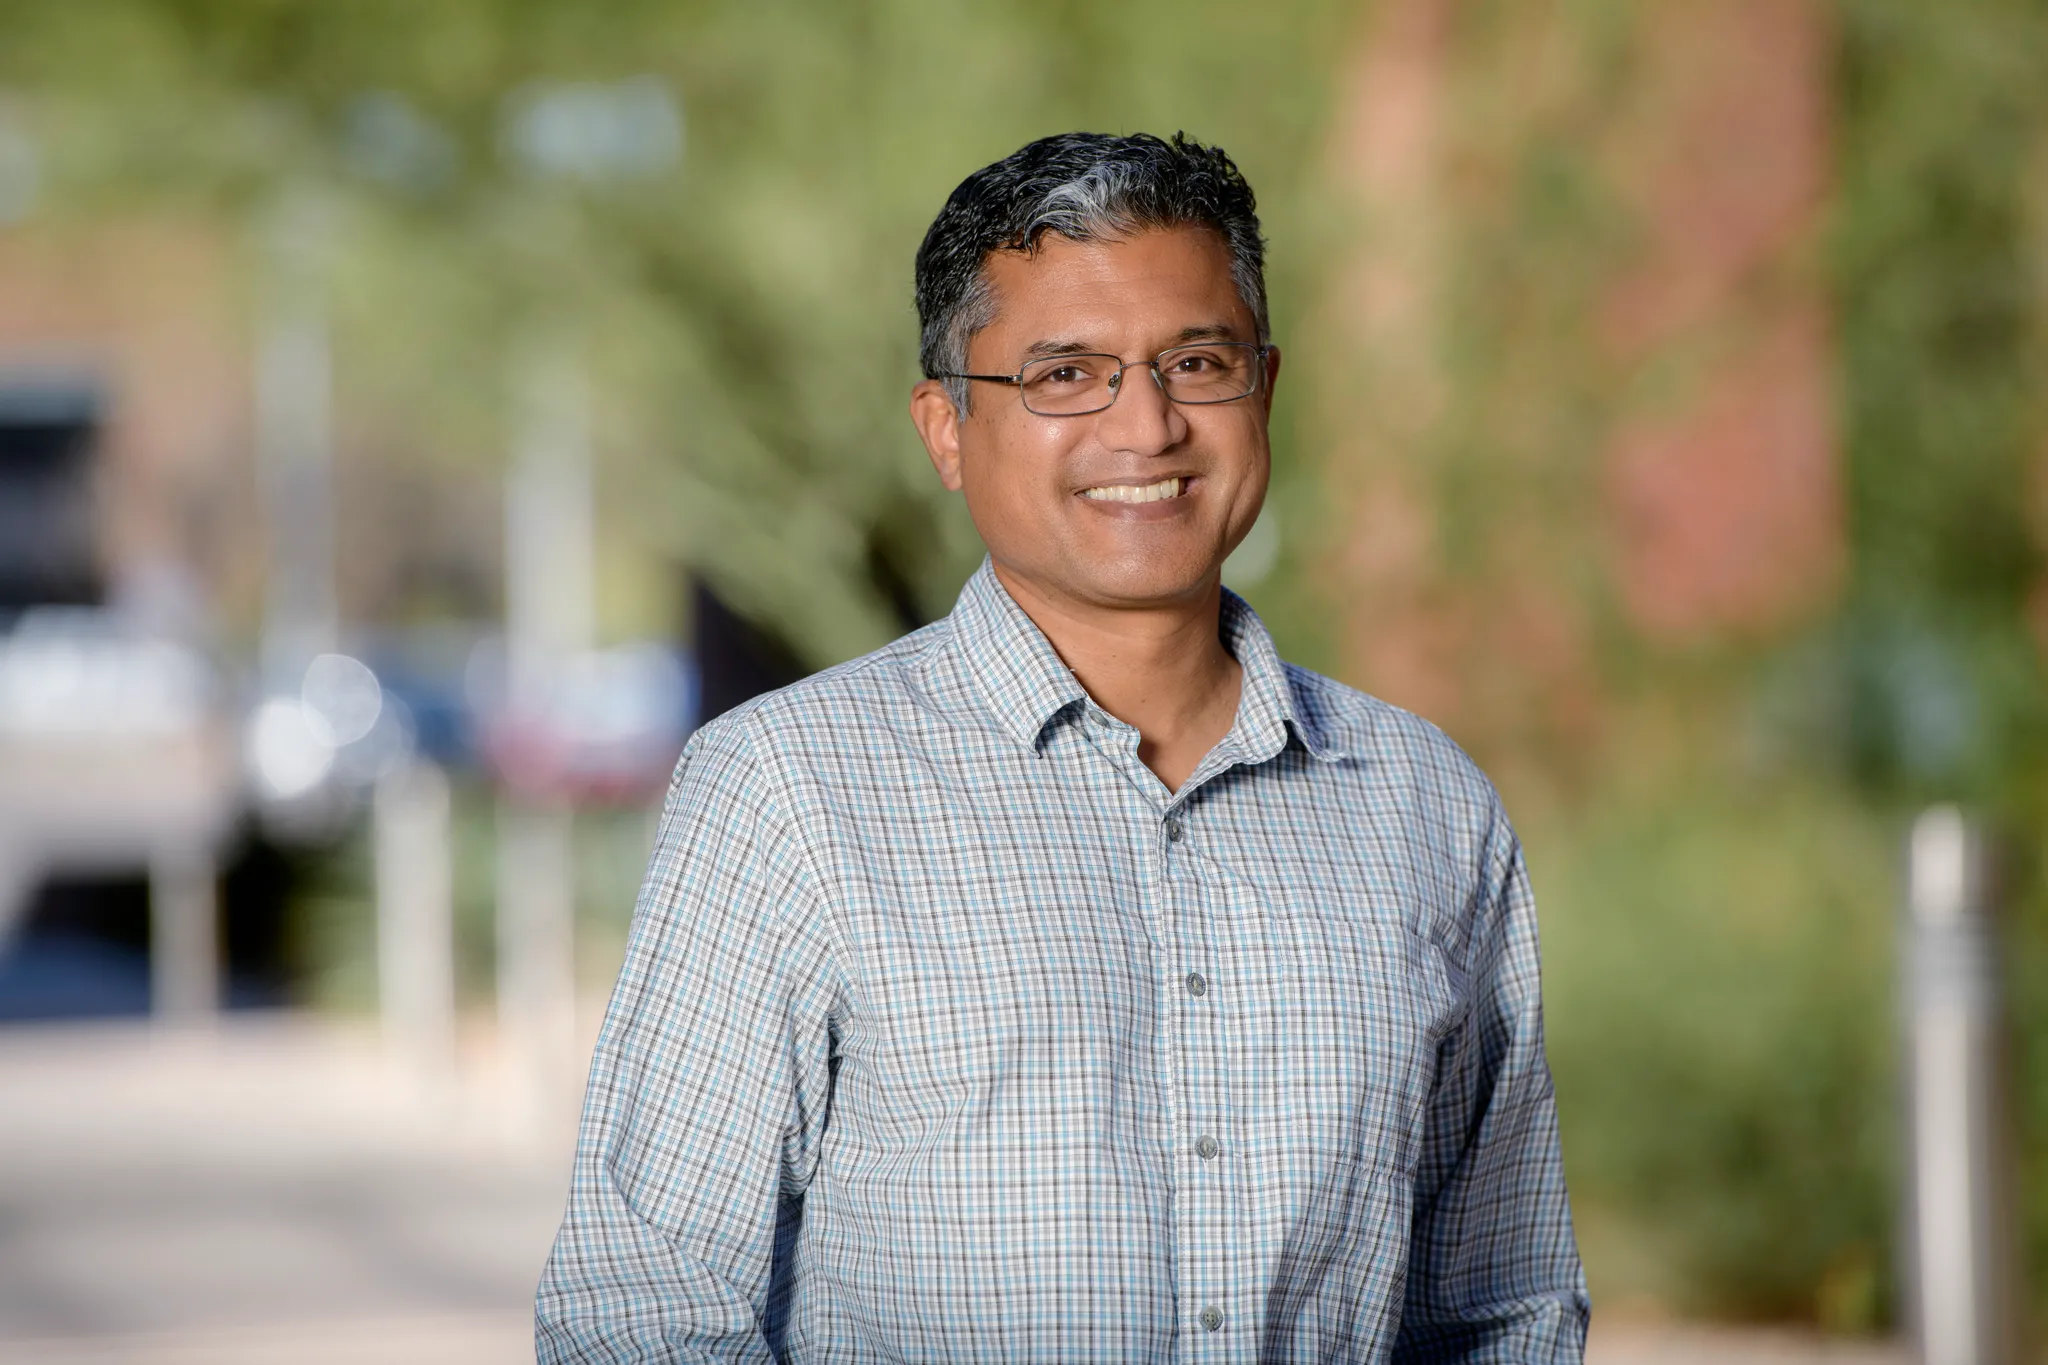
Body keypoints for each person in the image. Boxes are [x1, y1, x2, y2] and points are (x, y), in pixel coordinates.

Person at [537, 131, 1588, 1363]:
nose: (1144, 427)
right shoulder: (787, 790)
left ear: (1262, 389)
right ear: (943, 429)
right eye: (1064, 376)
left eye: (1195, 362)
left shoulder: (1423, 805)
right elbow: (643, 1311)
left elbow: (1498, 1308)